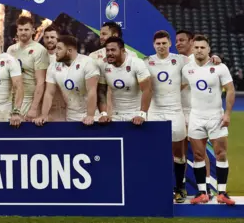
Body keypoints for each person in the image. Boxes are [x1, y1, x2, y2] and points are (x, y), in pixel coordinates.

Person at [183, 35, 236, 205]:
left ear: (208, 49)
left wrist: (227, 114)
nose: (199, 50)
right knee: (198, 155)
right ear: (193, 49)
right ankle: (202, 193)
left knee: (221, 154)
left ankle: (222, 193)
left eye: (202, 47)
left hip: (216, 116)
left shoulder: (219, 67)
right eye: (196, 47)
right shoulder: (186, 68)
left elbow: (230, 90)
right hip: (196, 117)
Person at [145, 30, 189, 202]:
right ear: (153, 45)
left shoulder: (180, 60)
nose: (161, 46)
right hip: (155, 112)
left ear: (170, 44)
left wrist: (215, 58)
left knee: (179, 153)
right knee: (157, 152)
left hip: (175, 111)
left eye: (164, 43)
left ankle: (180, 188)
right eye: (158, 44)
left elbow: (200, 64)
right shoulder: (147, 62)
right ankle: (160, 188)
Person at [35, 35, 99, 125]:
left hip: (92, 116)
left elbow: (92, 91)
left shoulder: (88, 63)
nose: (55, 52)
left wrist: (90, 115)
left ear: (69, 51)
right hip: (71, 115)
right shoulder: (53, 66)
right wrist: (44, 115)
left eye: (59, 49)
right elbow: (49, 93)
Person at [98, 36, 152, 124]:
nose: (109, 53)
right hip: (115, 115)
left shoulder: (136, 63)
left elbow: (147, 89)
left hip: (136, 114)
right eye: (107, 50)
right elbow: (101, 92)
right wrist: (103, 114)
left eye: (113, 50)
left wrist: (142, 114)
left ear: (123, 51)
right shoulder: (103, 66)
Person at [6, 15, 50, 121]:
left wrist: (34, 108)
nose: (23, 32)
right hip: (11, 99)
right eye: (20, 30)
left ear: (33, 31)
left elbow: (41, 81)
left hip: (28, 99)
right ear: (17, 31)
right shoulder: (11, 50)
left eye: (26, 29)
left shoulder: (40, 50)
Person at [42, 24, 66, 121]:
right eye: (47, 37)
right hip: (44, 100)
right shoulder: (39, 54)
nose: (49, 40)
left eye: (52, 37)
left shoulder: (64, 57)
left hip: (61, 101)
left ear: (58, 39)